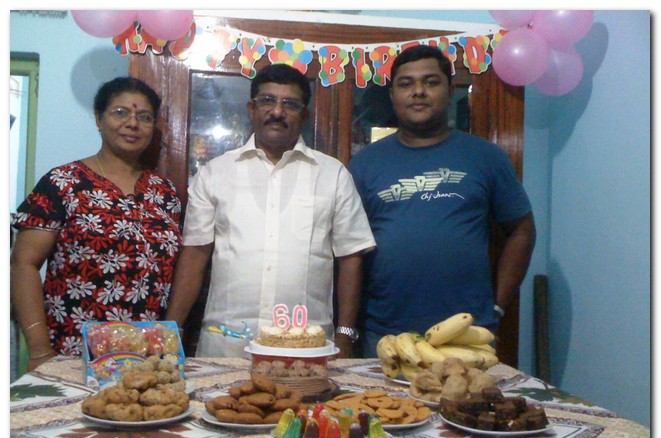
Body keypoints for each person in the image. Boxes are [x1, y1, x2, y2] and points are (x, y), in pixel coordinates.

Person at [166, 63, 375, 359]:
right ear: (251, 109)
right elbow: (195, 254)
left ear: (304, 114)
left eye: (290, 104)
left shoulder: (332, 174)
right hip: (226, 347)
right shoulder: (215, 173)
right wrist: (171, 329)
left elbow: (350, 256)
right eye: (267, 101)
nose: (277, 112)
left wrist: (345, 334)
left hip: (306, 347)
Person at [348, 45, 536, 358]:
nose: (418, 91)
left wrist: (498, 307)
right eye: (406, 84)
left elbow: (522, 229)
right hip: (384, 333)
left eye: (431, 82)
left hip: (466, 334)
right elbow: (348, 248)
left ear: (450, 91)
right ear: (392, 95)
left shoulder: (485, 157)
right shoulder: (365, 164)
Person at [10, 77, 182, 370]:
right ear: (99, 119)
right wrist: (38, 350)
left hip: (149, 357)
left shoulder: (165, 192)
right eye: (120, 113)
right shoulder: (63, 183)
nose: (132, 123)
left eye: (144, 117)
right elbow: (23, 264)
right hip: (73, 354)